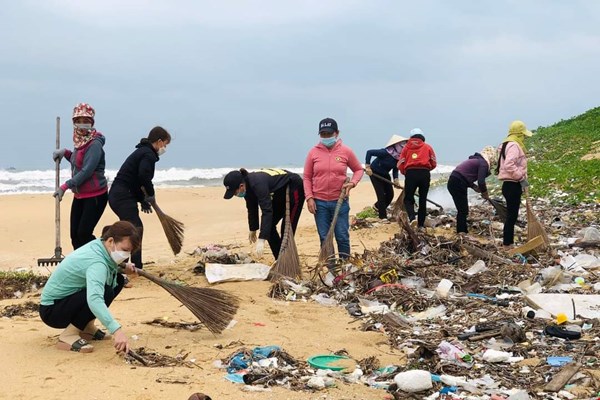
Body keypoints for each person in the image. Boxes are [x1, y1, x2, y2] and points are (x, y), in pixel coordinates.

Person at [39, 221, 140, 354]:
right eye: (125, 250)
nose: (126, 255)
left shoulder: (99, 246)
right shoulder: (97, 262)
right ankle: (68, 335)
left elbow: (107, 266)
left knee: (118, 281)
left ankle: (86, 327)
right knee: (105, 292)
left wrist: (122, 268)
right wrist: (117, 331)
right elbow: (95, 299)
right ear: (110, 241)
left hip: (65, 301)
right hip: (53, 311)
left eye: (129, 252)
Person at [108, 126, 171, 270]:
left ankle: (123, 263)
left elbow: (135, 181)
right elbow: (143, 177)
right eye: (165, 145)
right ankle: (135, 266)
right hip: (122, 196)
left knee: (129, 229)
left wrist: (143, 200)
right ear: (159, 142)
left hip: (119, 195)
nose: (165, 148)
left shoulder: (143, 152)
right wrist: (151, 193)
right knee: (136, 229)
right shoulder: (148, 154)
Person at [303, 118, 364, 258]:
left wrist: (353, 183)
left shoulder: (346, 151)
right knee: (324, 237)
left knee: (342, 236)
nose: (326, 137)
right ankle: (331, 267)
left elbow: (358, 170)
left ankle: (345, 266)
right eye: (323, 134)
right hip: (319, 203)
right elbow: (306, 177)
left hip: (340, 201)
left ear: (336, 133)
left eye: (329, 134)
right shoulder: (313, 153)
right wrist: (309, 198)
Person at [53, 103, 108, 250]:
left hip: (95, 196)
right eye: (79, 121)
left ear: (92, 122)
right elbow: (77, 162)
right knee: (75, 236)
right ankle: (83, 267)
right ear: (74, 123)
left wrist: (65, 186)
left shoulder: (95, 144)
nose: (82, 124)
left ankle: (105, 259)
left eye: (86, 121)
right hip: (80, 196)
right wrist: (65, 153)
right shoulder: (79, 141)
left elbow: (87, 170)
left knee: (84, 234)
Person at [223, 168, 305, 259]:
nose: (235, 195)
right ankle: (280, 259)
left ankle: (287, 262)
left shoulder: (258, 184)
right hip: (279, 194)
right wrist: (253, 229)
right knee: (268, 227)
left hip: (294, 187)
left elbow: (267, 211)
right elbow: (251, 207)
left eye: (234, 193)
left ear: (241, 186)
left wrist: (262, 238)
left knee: (287, 230)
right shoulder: (248, 187)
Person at [497, 120, 532, 248]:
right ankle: (508, 243)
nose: (524, 138)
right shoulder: (514, 146)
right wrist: (521, 177)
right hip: (512, 185)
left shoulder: (505, 144)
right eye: (523, 135)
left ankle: (508, 242)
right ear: (519, 134)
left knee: (511, 215)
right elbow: (509, 164)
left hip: (508, 185)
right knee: (512, 215)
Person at [447, 146, 497, 235]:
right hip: (457, 183)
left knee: (462, 209)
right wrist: (485, 193)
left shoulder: (477, 161)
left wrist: (474, 186)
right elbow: (481, 181)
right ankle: (461, 232)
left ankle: (462, 230)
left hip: (454, 182)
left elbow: (464, 175)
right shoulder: (483, 163)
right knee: (463, 210)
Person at [397, 129, 437, 228]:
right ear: (422, 137)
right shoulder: (428, 147)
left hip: (411, 173)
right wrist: (427, 169)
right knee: (423, 200)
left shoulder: (406, 148)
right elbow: (434, 162)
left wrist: (405, 172)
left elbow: (400, 163)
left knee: (408, 199)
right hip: (424, 173)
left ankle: (412, 218)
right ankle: (420, 225)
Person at [365, 134, 408, 219]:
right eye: (402, 145)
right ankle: (382, 217)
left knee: (390, 195)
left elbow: (395, 169)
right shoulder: (385, 152)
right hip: (374, 173)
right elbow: (369, 152)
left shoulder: (398, 157)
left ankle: (377, 207)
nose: (404, 147)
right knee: (381, 195)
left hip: (385, 174)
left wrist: (396, 180)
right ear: (396, 145)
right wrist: (367, 166)